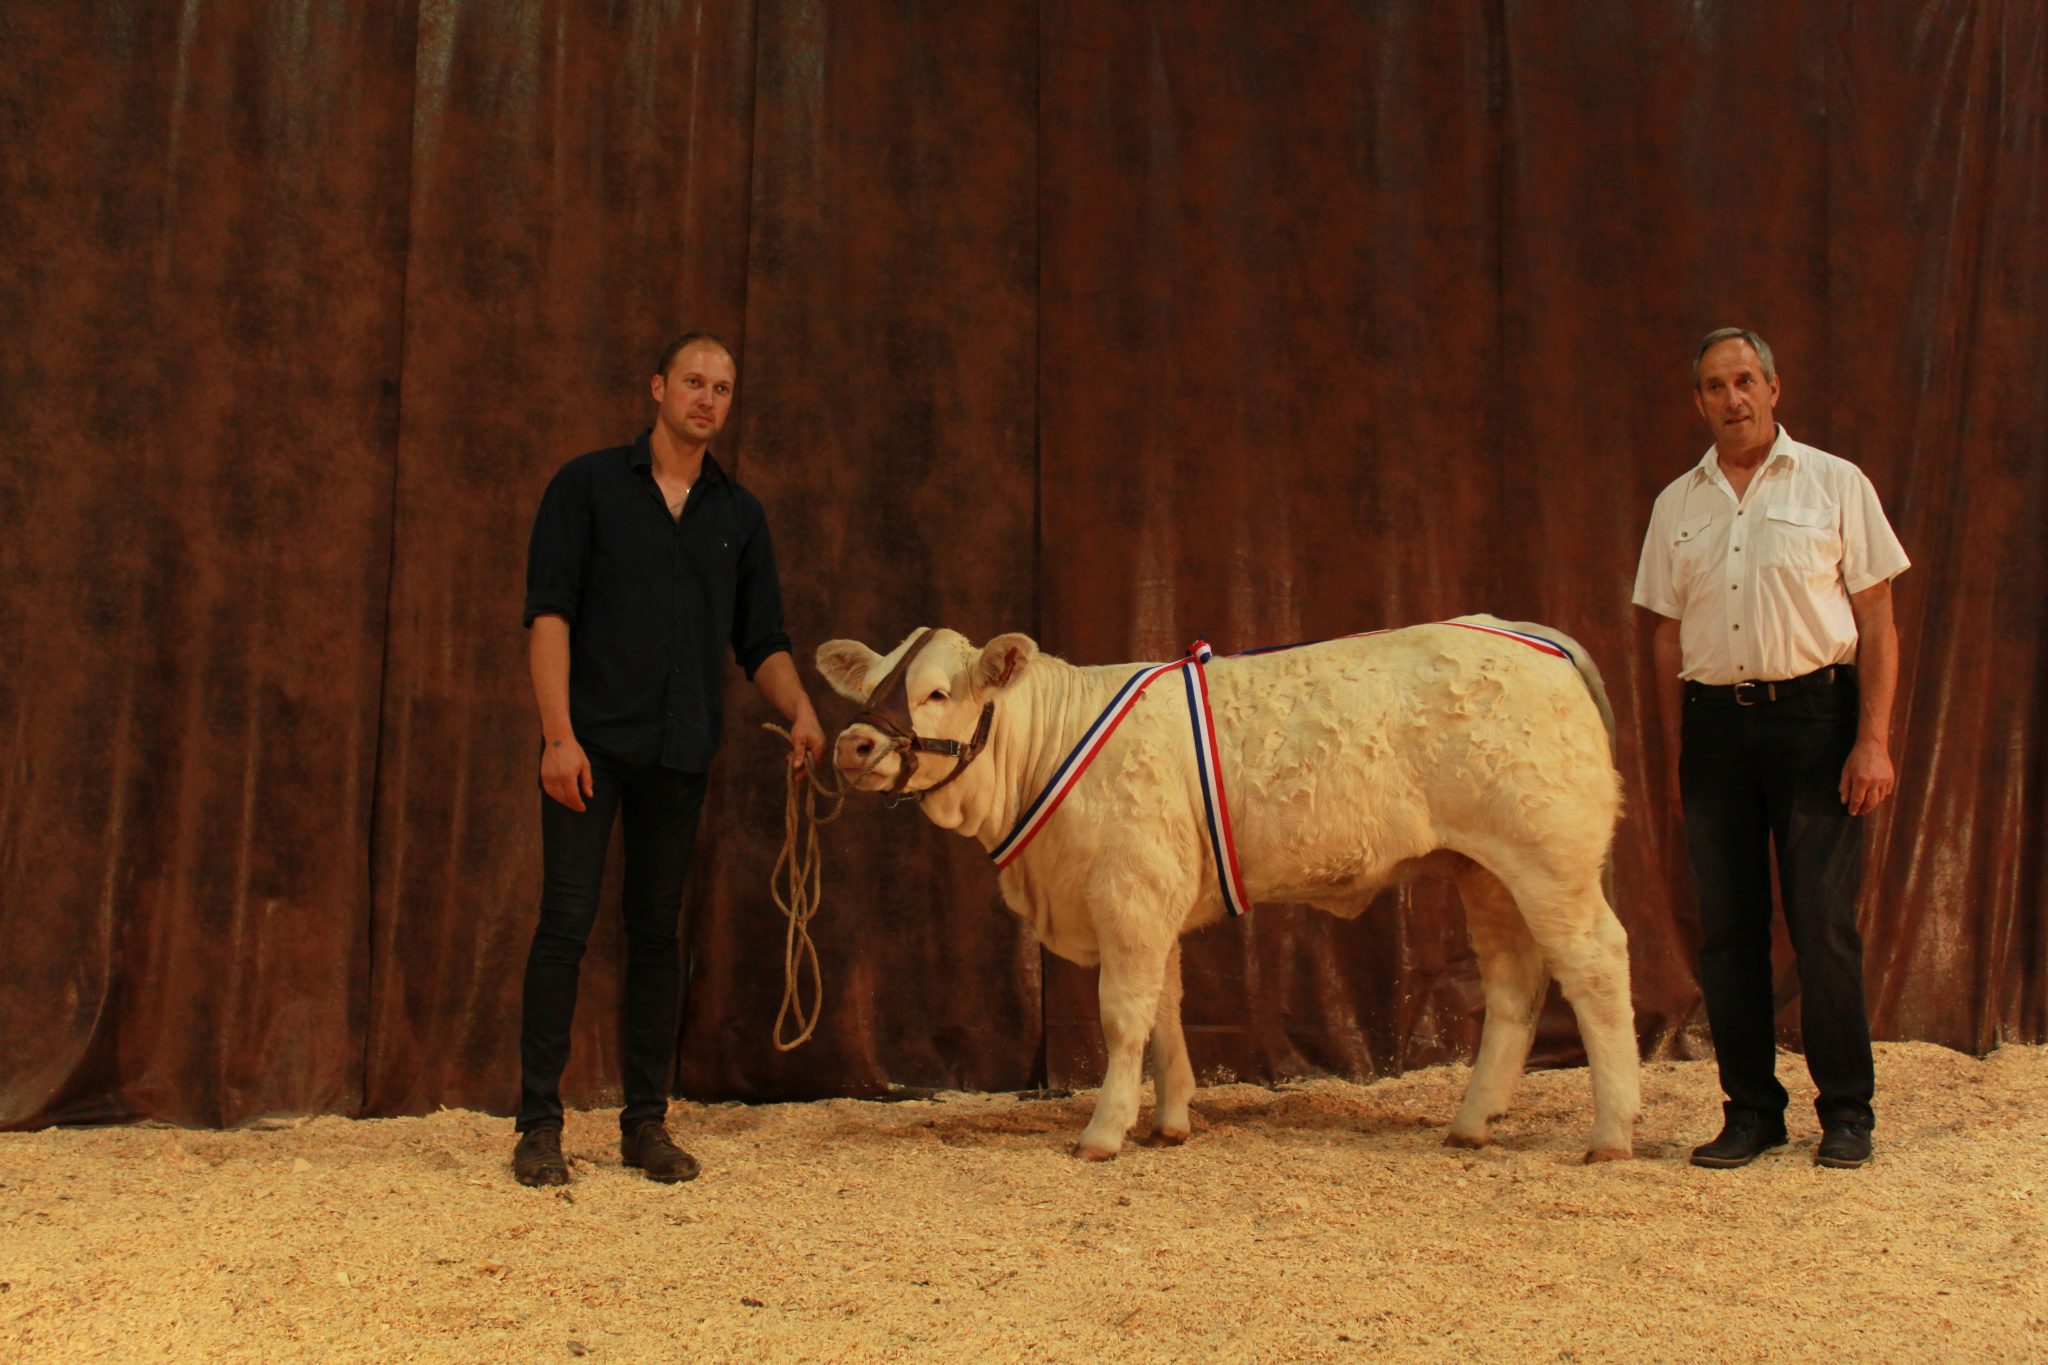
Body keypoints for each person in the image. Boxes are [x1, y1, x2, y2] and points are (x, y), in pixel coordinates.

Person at [513, 331, 825, 1187]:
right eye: (693, 381)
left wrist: (799, 710)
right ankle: (539, 1127)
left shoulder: (740, 516)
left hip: (680, 754)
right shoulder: (584, 488)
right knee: (564, 927)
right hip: (589, 748)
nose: (707, 399)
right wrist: (556, 735)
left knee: (656, 937)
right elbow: (550, 616)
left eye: (722, 388)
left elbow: (759, 639)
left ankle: (644, 1125)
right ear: (657, 387)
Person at [1633, 327, 1908, 1171]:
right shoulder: (1676, 504)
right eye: (1715, 386)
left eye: (1745, 380)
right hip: (1714, 730)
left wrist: (1872, 738)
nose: (1733, 399)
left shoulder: (1835, 484)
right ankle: (1751, 1111)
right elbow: (1664, 639)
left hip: (1815, 722)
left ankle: (1847, 1114)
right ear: (1699, 402)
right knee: (1727, 933)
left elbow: (1879, 623)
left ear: (1775, 387)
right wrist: (1680, 755)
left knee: (1823, 924)